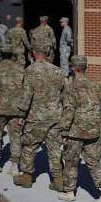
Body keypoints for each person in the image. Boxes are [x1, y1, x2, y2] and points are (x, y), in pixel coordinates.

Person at [59, 55, 101, 202]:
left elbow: (68, 110)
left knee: (70, 161)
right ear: (85, 68)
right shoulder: (96, 86)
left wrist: (64, 131)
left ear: (73, 68)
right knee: (94, 162)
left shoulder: (71, 87)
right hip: (93, 132)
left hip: (75, 133)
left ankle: (69, 192)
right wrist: (95, 122)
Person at [13, 45, 66, 189]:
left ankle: (26, 177)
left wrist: (21, 115)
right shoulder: (58, 71)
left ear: (34, 53)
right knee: (55, 148)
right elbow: (63, 95)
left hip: (36, 117)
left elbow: (26, 95)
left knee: (29, 146)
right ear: (47, 54)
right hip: (55, 117)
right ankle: (58, 180)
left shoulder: (30, 70)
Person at [0, 47, 26, 174]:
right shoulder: (20, 69)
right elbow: (26, 91)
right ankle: (14, 166)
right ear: (13, 55)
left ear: (1, 55)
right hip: (16, 110)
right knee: (15, 138)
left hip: (0, 109)